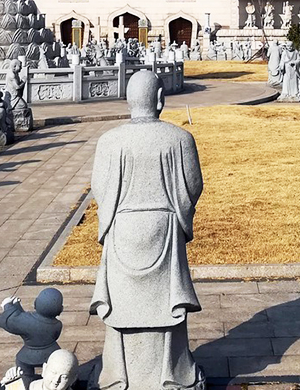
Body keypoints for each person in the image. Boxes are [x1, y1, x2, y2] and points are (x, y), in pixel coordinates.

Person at [89, 70, 204, 390]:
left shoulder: (109, 141)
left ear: (129, 102)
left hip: (122, 227)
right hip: (165, 227)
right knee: (165, 305)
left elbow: (99, 188)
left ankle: (118, 375)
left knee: (123, 308)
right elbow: (194, 185)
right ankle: (173, 373)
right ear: (159, 100)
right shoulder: (180, 139)